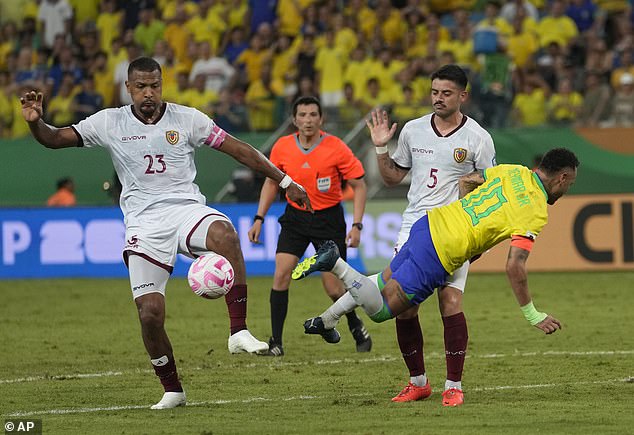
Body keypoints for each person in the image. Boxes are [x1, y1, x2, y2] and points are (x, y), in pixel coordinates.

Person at [20, 56, 312, 410]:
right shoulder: (109, 121)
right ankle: (172, 389)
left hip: (186, 210)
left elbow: (238, 149)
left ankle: (238, 332)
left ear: (163, 84)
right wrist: (37, 123)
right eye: (141, 87)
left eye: (155, 86)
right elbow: (55, 139)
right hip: (143, 224)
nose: (149, 93)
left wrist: (285, 180)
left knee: (226, 235)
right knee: (150, 315)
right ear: (128, 88)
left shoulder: (187, 119)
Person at [295, 147, 579, 405]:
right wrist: (532, 314)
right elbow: (514, 267)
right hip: (441, 251)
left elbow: (467, 180)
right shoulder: (536, 211)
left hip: (430, 222)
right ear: (562, 178)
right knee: (381, 311)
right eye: (571, 183)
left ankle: (327, 319)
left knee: (382, 280)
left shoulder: (514, 171)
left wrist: (467, 224)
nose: (568, 188)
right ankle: (336, 265)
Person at [364, 64, 496, 406]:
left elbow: (490, 187)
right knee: (404, 306)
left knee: (450, 302)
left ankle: (454, 385)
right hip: (413, 228)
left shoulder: (478, 138)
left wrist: (476, 233)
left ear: (463, 96)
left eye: (446, 93)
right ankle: (418, 382)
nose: (438, 98)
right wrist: (381, 148)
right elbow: (393, 178)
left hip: (454, 230)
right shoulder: (412, 130)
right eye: (435, 92)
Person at [247, 96, 371, 357]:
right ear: (294, 120)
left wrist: (357, 225)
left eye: (313, 115)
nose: (308, 120)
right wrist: (259, 217)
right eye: (302, 115)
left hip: (328, 221)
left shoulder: (336, 147)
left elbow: (359, 185)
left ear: (321, 119)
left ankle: (354, 323)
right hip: (295, 218)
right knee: (281, 273)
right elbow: (271, 183)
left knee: (334, 288)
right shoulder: (282, 148)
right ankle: (276, 343)